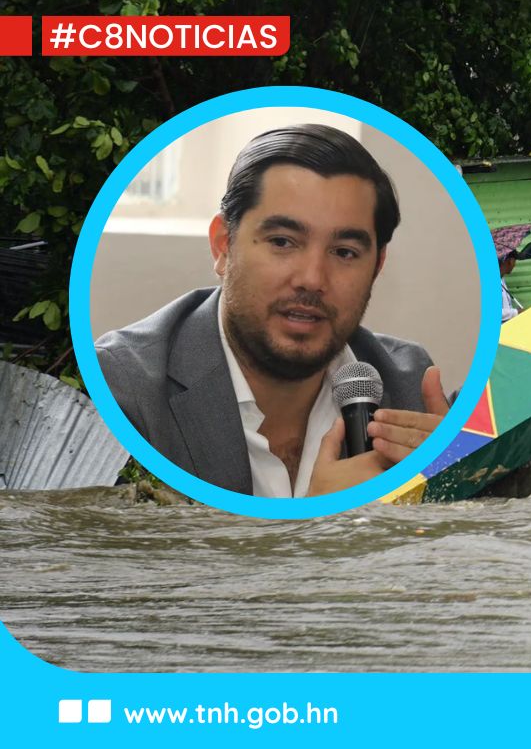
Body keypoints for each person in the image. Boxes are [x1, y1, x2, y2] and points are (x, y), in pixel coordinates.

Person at [93, 124, 445, 498]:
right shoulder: (122, 393)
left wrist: (454, 484)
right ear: (222, 246)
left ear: (376, 267)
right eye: (282, 242)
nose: (312, 279)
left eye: (344, 252)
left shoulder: (410, 389)